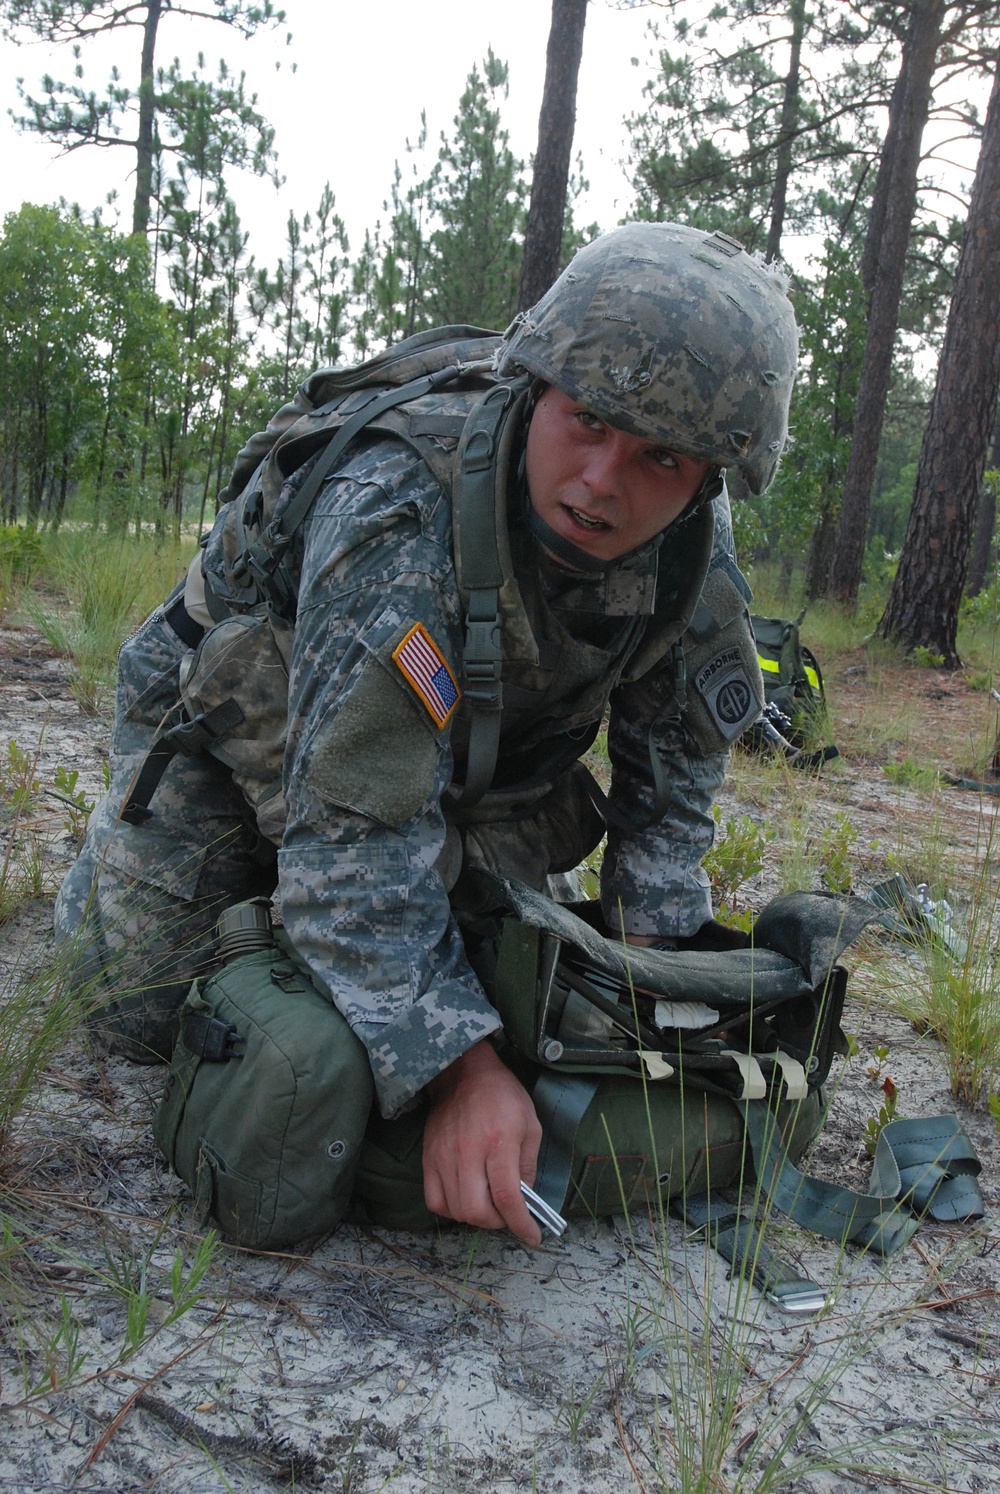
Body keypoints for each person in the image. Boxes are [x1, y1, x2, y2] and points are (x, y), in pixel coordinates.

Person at [55, 222, 798, 1248]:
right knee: (139, 1016)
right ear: (536, 386)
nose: (599, 478)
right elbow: (351, 846)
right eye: (584, 420)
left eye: (658, 457)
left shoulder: (692, 569)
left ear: (708, 478)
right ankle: (112, 872)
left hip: (449, 769)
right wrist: (462, 1070)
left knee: (522, 995)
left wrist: (643, 1006)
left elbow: (665, 820)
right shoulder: (400, 502)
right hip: (228, 735)